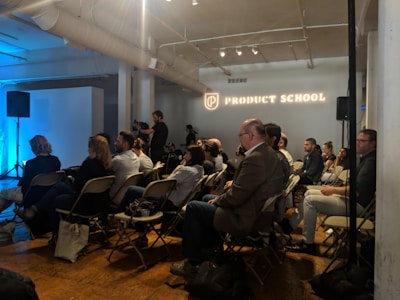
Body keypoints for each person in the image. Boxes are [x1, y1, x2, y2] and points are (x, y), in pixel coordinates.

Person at [169, 118, 284, 277]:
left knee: (193, 207)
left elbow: (236, 197)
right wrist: (220, 197)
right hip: (258, 212)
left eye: (240, 135)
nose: (239, 138)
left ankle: (193, 262)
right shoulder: (269, 153)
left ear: (250, 135)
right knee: (205, 199)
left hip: (244, 217)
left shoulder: (255, 158)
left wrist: (218, 200)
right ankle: (211, 250)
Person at [285, 129, 377, 254]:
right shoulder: (365, 159)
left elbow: (356, 192)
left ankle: (308, 244)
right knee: (309, 193)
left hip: (358, 206)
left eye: (362, 141)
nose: (357, 143)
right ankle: (290, 226)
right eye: (357, 140)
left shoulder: (370, 162)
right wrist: (333, 190)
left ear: (373, 144)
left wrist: (333, 189)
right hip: (353, 200)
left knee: (311, 200)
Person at [15, 135, 114, 231]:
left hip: (84, 205)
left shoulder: (89, 164)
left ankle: (55, 231)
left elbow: (77, 187)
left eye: (89, 147)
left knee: (56, 196)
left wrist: (72, 179)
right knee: (59, 186)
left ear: (93, 149)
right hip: (100, 204)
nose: (88, 150)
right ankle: (38, 215)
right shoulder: (109, 166)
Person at [118, 144, 205, 247]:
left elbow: (166, 184)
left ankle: (115, 216)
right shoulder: (200, 170)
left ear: (192, 156)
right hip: (179, 202)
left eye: (186, 153)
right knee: (141, 200)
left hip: (169, 202)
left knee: (132, 190)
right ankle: (140, 234)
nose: (184, 156)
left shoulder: (186, 170)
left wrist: (177, 168)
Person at [0, 135, 61, 213]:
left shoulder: (31, 163)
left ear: (35, 148)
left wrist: (23, 175)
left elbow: (24, 185)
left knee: (3, 193)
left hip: (31, 196)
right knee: (9, 195)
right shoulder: (55, 160)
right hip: (48, 194)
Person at [109, 131, 140, 203]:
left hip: (115, 198)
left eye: (118, 141)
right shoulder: (136, 158)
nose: (115, 143)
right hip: (128, 197)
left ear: (125, 144)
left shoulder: (118, 160)